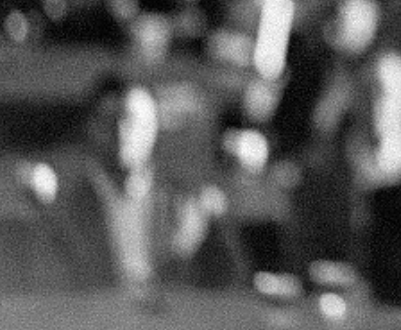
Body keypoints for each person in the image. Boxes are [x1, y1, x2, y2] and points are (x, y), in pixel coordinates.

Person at [40, 73, 247, 292]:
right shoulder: (64, 209)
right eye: (110, 120)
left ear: (154, 126)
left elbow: (231, 283)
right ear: (91, 126)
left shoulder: (190, 204)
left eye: (133, 120)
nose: (122, 131)